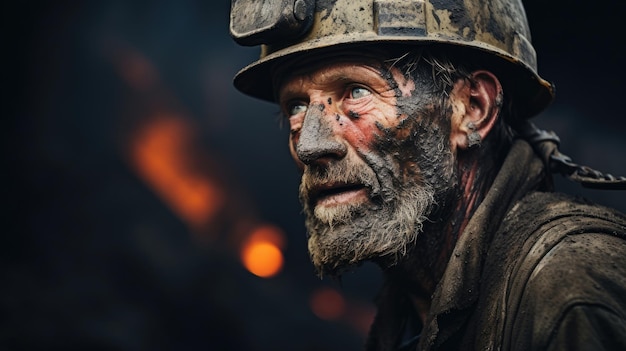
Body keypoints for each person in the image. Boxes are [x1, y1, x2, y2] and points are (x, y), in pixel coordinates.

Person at [229, 0, 626, 350]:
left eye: (356, 92)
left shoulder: (570, 290)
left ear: (471, 109)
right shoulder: (410, 306)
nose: (310, 145)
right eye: (296, 105)